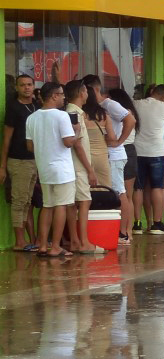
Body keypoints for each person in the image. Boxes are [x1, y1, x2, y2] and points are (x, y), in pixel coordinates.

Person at [25, 82, 82, 259]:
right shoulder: (61, 116)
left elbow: (30, 146)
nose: (64, 97)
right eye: (62, 94)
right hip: (62, 169)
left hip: (44, 168)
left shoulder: (32, 117)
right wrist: (77, 132)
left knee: (47, 206)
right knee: (61, 206)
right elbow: (68, 142)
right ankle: (55, 246)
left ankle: (42, 245)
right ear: (54, 96)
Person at [62, 81, 104, 255]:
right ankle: (82, 241)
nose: (88, 94)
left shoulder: (73, 112)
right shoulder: (74, 114)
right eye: (86, 91)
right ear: (81, 93)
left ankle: (76, 240)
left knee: (73, 203)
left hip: (74, 165)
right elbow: (78, 145)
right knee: (84, 201)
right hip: (78, 166)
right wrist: (90, 170)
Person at [133, 83, 164, 235]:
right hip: (156, 152)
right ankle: (157, 224)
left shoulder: (137, 103)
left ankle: (137, 224)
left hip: (138, 151)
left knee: (138, 188)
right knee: (157, 187)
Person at [3, 73, 40, 252]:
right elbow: (7, 139)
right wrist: (3, 166)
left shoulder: (36, 106)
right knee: (19, 201)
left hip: (33, 160)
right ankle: (19, 241)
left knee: (27, 201)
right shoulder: (13, 108)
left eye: (29, 84)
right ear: (16, 88)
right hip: (18, 160)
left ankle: (24, 240)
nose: (26, 87)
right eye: (22, 85)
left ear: (33, 86)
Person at [100, 86, 138, 245]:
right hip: (125, 150)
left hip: (121, 150)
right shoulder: (125, 111)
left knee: (124, 195)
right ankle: (127, 231)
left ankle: (126, 231)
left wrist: (118, 141)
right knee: (126, 195)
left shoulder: (115, 110)